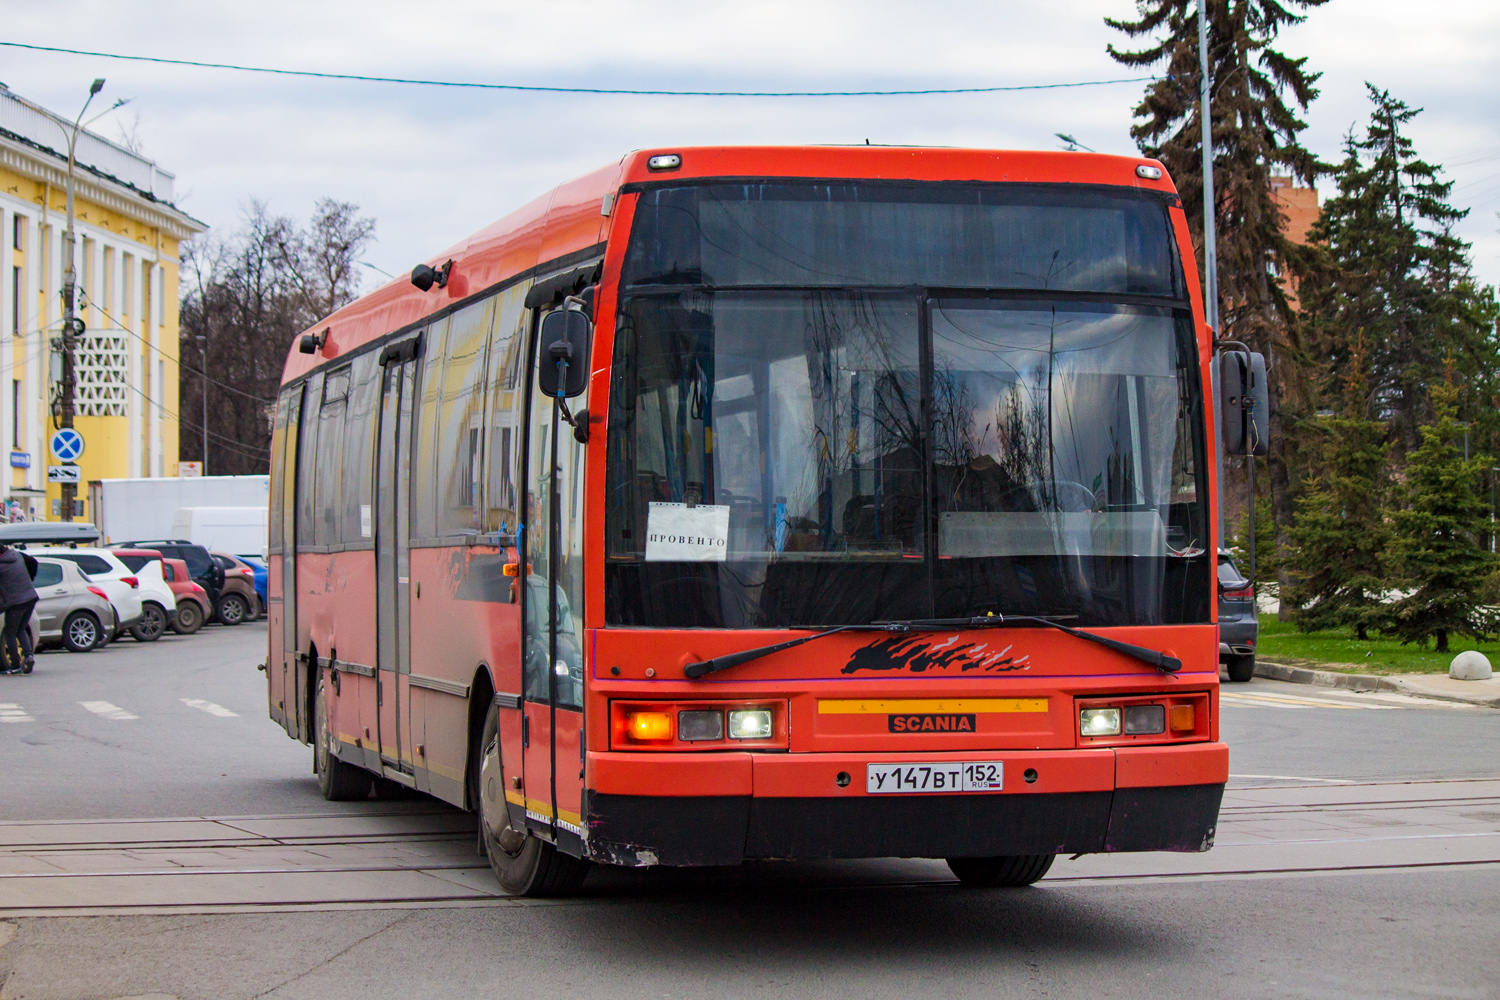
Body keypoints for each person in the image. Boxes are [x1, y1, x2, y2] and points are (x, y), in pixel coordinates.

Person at [0, 544, 38, 675]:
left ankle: (15, 665)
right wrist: (30, 578)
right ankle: (28, 656)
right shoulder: (17, 555)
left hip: (16, 602)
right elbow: (33, 562)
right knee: (20, 629)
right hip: (31, 598)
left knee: (9, 632)